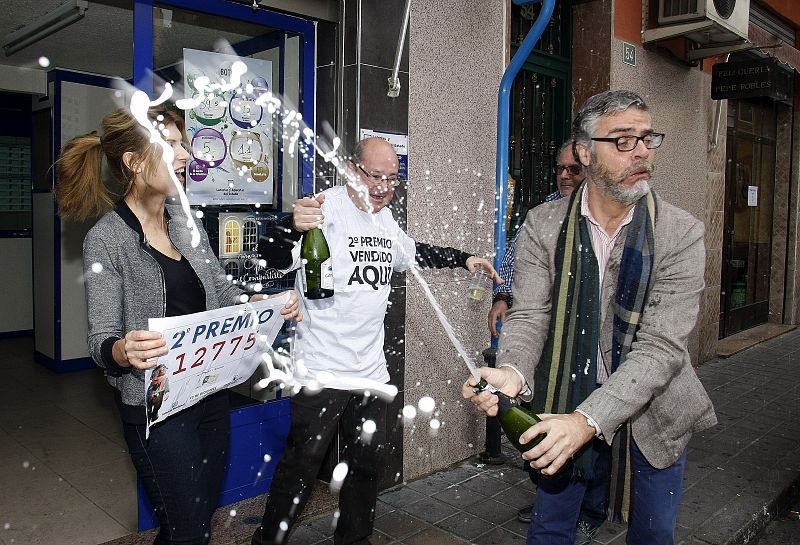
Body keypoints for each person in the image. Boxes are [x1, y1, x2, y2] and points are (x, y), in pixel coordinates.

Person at [463, 90, 717, 545]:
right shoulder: (544, 224)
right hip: (566, 390)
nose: (641, 150)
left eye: (646, 137)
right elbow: (531, 314)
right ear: (584, 151)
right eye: (622, 140)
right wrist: (512, 371)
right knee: (549, 528)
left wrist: (585, 422)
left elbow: (661, 347)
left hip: (655, 405)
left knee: (654, 533)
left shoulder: (681, 233)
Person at [55, 107, 301, 545]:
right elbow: (101, 338)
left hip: (208, 394)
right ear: (133, 161)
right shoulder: (107, 239)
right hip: (157, 411)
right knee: (188, 531)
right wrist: (122, 349)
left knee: (192, 521)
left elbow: (221, 295)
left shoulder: (186, 223)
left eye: (183, 143)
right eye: (170, 145)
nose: (187, 155)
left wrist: (263, 304)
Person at [251, 136, 501, 545]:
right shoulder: (325, 208)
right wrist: (285, 226)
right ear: (352, 169)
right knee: (302, 465)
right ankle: (268, 540)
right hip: (320, 368)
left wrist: (464, 258)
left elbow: (415, 253)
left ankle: (354, 539)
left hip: (370, 371)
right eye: (375, 176)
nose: (383, 187)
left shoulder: (385, 222)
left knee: (367, 464)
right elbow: (273, 256)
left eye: (392, 179)